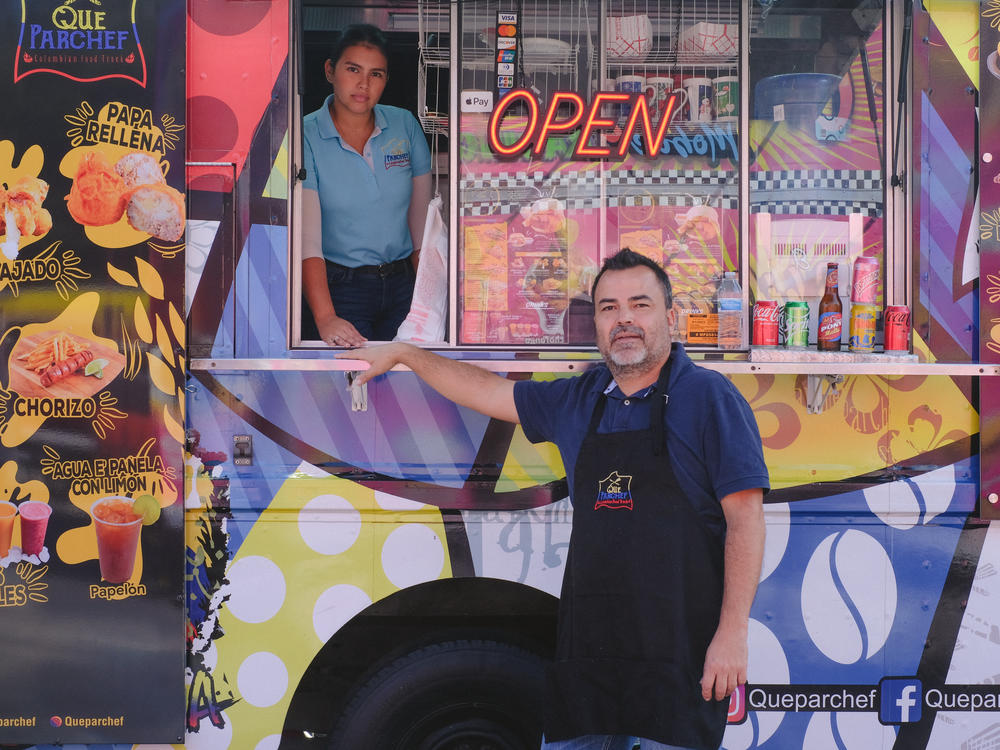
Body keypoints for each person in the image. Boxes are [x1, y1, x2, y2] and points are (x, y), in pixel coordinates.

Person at [341, 249, 768, 750]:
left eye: (640, 304)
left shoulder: (710, 399)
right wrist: (406, 354)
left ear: (669, 317)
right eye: (608, 307)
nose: (624, 318)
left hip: (680, 659)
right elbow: (491, 393)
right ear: (597, 325)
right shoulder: (580, 398)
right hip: (588, 658)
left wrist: (733, 632)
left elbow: (745, 520)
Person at [301, 24, 432, 346]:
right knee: (356, 383)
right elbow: (307, 241)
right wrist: (326, 317)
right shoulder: (305, 134)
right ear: (331, 71)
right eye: (353, 69)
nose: (363, 84)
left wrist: (430, 300)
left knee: (410, 381)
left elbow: (421, 229)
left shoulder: (404, 124)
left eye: (376, 74)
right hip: (341, 287)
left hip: (404, 283)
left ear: (386, 80)